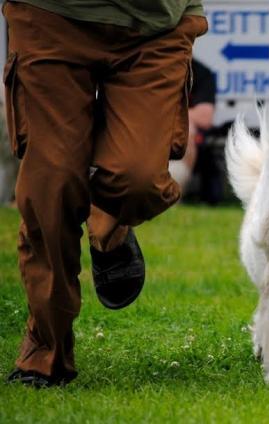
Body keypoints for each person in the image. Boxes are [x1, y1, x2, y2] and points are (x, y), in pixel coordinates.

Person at [3, 0, 207, 387]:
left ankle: (108, 224)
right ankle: (45, 351)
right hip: (51, 16)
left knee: (138, 178)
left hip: (155, 24)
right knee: (53, 188)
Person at [168, 58, 216, 195]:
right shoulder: (151, 70)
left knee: (187, 129)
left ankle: (173, 194)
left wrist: (168, 116)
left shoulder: (200, 72)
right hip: (151, 133)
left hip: (187, 138)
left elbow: (205, 117)